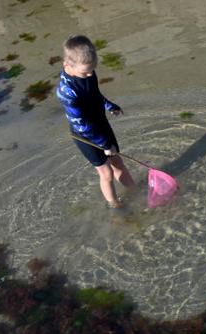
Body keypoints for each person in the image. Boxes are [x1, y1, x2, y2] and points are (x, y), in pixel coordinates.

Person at [56, 35, 135, 208]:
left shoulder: (88, 73)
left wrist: (109, 105)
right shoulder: (66, 92)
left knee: (118, 162)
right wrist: (105, 144)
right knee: (105, 172)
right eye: (85, 72)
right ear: (66, 64)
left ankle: (136, 192)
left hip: (101, 125)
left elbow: (95, 95)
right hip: (84, 135)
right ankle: (115, 205)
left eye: (93, 69)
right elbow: (80, 125)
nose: (90, 74)